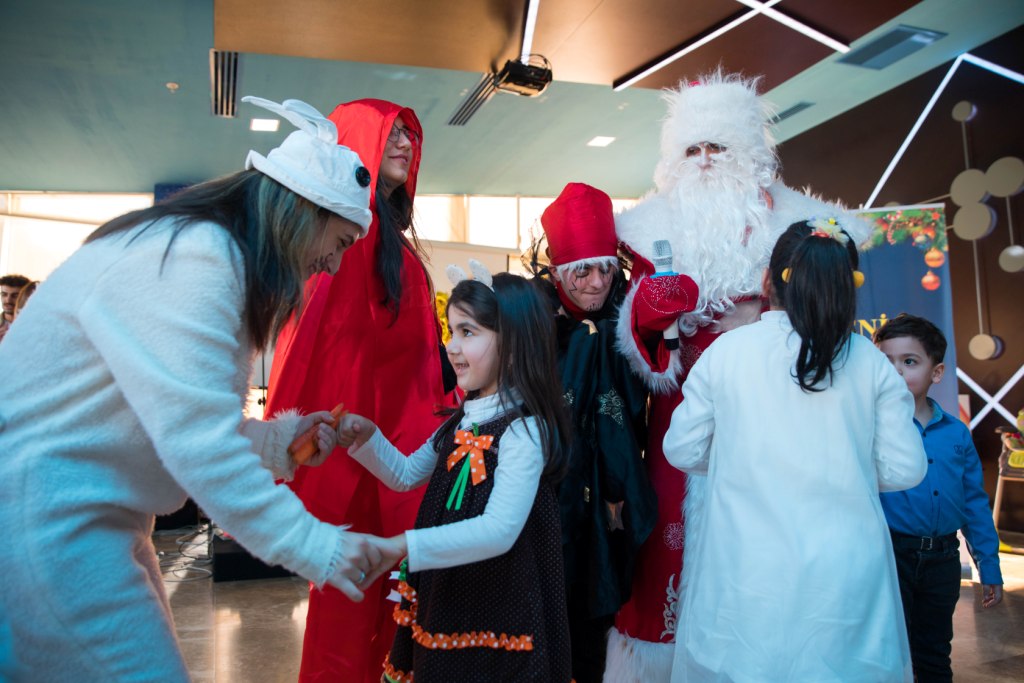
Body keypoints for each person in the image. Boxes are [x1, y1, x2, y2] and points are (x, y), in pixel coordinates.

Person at [0, 97, 404, 681]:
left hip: (91, 511)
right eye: (338, 244)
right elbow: (197, 447)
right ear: (300, 213)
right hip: (48, 516)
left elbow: (174, 423)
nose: (333, 268)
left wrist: (285, 442)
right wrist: (321, 548)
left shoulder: (205, 253)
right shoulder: (200, 257)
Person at [608, 70, 870, 678]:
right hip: (681, 411)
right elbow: (640, 343)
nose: (703, 162)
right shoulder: (648, 227)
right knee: (670, 539)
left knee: (765, 538)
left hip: (773, 414)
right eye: (691, 149)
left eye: (716, 147)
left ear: (748, 152)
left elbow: (825, 318)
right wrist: (650, 313)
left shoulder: (802, 225)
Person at [662, 219, 928, 682]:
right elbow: (906, 468)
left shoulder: (729, 352)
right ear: (847, 285)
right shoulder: (870, 362)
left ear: (768, 281)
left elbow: (682, 449)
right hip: (845, 576)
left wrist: (732, 464)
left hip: (746, 570)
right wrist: (851, 468)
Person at [263, 99, 453, 682]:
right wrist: (303, 443)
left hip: (397, 450)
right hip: (367, 460)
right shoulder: (355, 239)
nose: (404, 143)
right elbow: (323, 342)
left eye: (409, 135)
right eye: (389, 133)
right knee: (351, 622)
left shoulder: (386, 236)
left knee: (390, 618)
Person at [335, 267, 573, 682]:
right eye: (451, 331)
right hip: (449, 593)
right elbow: (406, 474)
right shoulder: (461, 420)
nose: (451, 346)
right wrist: (368, 438)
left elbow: (499, 530)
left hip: (501, 606)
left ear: (513, 343)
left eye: (468, 332)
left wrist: (402, 545)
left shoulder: (523, 430)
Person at [527, 183, 671, 682]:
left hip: (610, 500)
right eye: (581, 271)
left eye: (605, 268)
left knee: (597, 624)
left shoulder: (627, 319)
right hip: (547, 498)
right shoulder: (533, 320)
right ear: (558, 271)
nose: (594, 283)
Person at [874, 313, 1004, 681]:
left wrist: (988, 565)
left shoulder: (957, 434)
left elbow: (974, 503)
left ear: (937, 372)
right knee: (889, 655)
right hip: (890, 557)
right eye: (886, 362)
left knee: (933, 653)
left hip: (943, 560)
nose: (896, 372)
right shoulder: (870, 429)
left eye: (909, 361)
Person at [0, 273, 30, 343]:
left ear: (25, 297)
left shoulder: (34, 325)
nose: (8, 300)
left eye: (15, 295)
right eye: (4, 294)